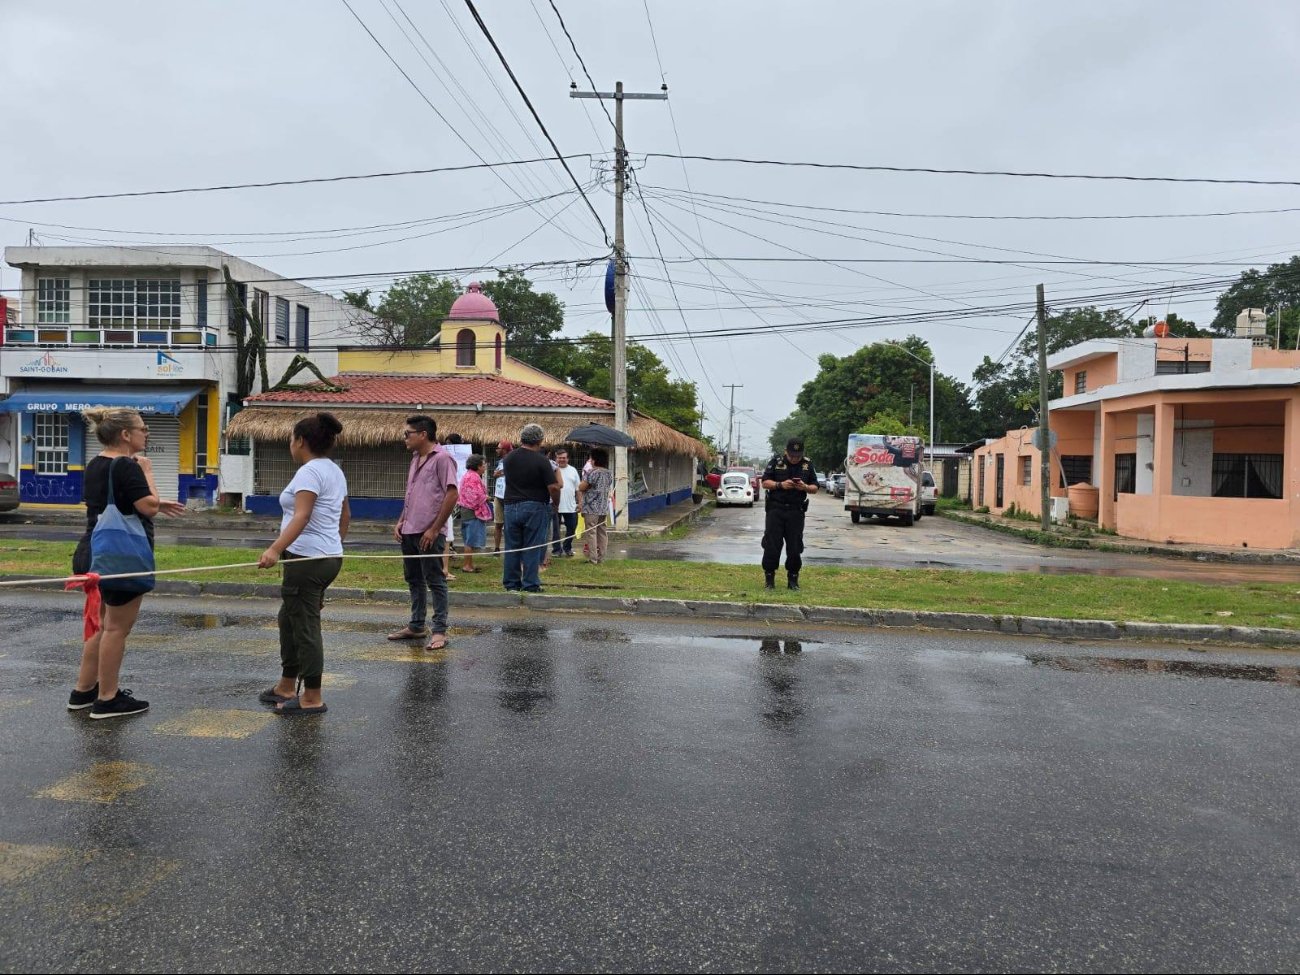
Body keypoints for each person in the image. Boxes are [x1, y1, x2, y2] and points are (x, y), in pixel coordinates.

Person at [69, 408, 185, 719]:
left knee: (100, 625)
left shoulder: (95, 464)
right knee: (117, 629)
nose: (147, 434)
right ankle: (108, 698)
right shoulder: (128, 466)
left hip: (91, 551)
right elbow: (148, 507)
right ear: (125, 435)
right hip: (118, 558)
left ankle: (84, 690)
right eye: (143, 429)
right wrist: (147, 471)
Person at [256, 412, 350, 715]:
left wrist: (274, 549)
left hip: (308, 560)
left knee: (306, 626)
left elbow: (302, 515)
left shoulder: (310, 471)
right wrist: (334, 545)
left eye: (291, 439)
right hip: (325, 558)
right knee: (290, 618)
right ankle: (286, 684)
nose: (290, 444)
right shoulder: (334, 470)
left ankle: (311, 696)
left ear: (301, 441)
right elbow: (345, 515)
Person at [387, 415, 459, 651]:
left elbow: (451, 494)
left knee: (435, 581)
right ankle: (417, 625)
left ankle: (439, 631)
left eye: (408, 433)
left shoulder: (443, 459)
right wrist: (401, 521)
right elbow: (411, 495)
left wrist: (435, 528)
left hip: (430, 532)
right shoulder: (415, 459)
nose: (405, 438)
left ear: (423, 434)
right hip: (410, 530)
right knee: (413, 579)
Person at [501, 423, 559, 592]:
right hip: (534, 505)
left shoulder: (508, 458)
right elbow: (554, 487)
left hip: (511, 505)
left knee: (512, 546)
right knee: (532, 546)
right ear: (540, 440)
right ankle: (530, 583)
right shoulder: (542, 460)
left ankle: (511, 583)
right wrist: (555, 502)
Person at [760, 437, 818, 591]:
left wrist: (804, 487)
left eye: (797, 456)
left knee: (794, 546)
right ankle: (769, 579)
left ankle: (793, 579)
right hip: (776, 510)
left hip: (796, 511)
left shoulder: (807, 464)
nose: (794, 459)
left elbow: (815, 487)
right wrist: (780, 485)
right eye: (791, 455)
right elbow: (765, 482)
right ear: (786, 451)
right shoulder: (776, 461)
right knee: (772, 544)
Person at [578, 448, 613, 565]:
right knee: (602, 532)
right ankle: (601, 557)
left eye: (591, 458)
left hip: (591, 507)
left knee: (591, 532)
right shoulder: (608, 473)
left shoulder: (592, 472)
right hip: (603, 507)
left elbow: (582, 487)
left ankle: (593, 558)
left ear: (594, 460)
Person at [457, 453, 492, 573]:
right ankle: (467, 565)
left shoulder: (468, 476)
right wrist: (485, 497)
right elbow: (475, 496)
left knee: (468, 539)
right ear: (478, 466)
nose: (485, 466)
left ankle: (469, 564)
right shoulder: (474, 477)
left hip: (466, 510)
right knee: (470, 540)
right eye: (483, 464)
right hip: (472, 511)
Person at [552, 447, 581, 557]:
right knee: (556, 531)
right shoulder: (552, 470)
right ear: (556, 458)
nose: (562, 460)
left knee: (572, 528)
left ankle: (567, 547)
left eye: (564, 458)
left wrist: (580, 503)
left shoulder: (573, 470)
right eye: (559, 458)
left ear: (568, 459)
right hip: (555, 505)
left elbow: (578, 489)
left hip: (570, 506)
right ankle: (556, 550)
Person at [491, 440, 512, 553]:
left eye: (499, 448)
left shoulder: (513, 460)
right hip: (498, 496)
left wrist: (502, 472)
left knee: (510, 525)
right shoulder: (498, 462)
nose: (496, 450)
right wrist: (497, 474)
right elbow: (495, 474)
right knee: (498, 524)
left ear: (504, 449)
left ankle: (510, 548)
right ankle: (497, 548)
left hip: (509, 497)